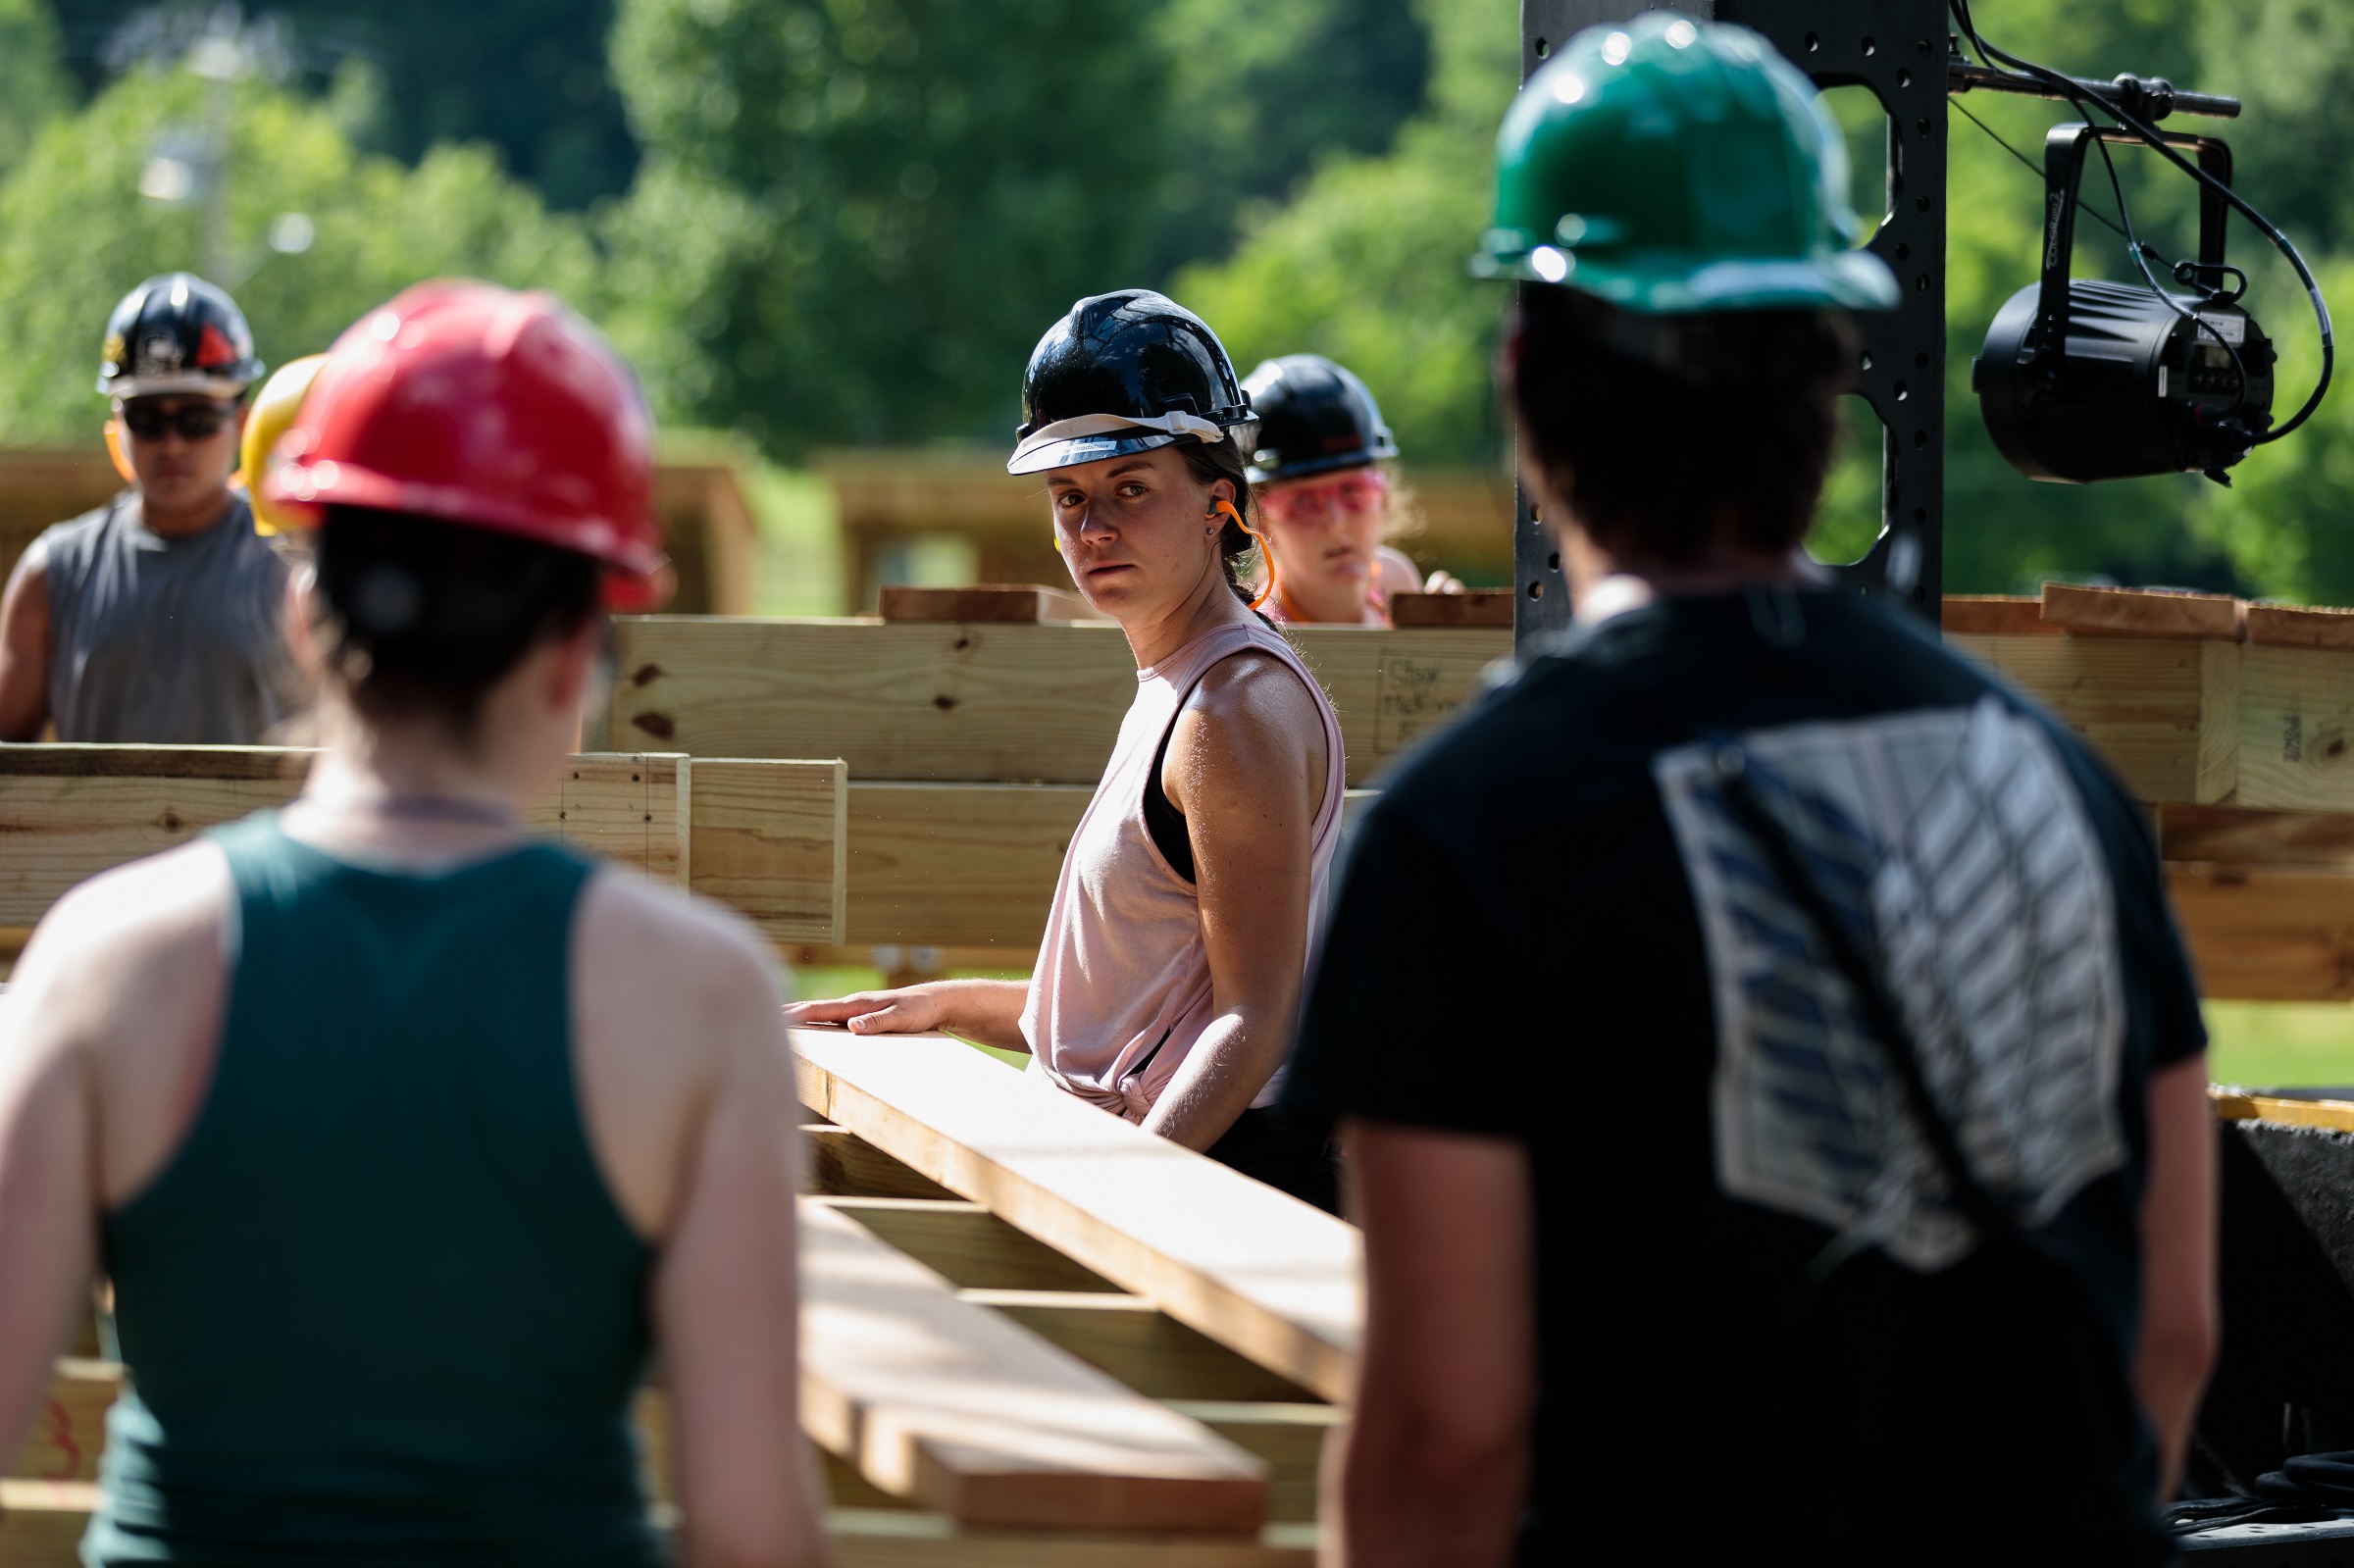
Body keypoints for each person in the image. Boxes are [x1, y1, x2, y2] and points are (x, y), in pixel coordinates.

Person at [1283, 15, 2217, 1566]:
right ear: (1834, 371)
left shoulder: (1468, 833)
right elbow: (2171, 1328)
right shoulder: (2055, 779)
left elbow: (1446, 1440)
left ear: (1528, 377)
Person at [0, 280, 829, 1568]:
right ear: (575, 653)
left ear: (301, 615)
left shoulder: (108, 960)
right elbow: (750, 1524)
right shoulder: (702, 995)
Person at [790, 290, 1347, 1211]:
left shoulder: (1233, 708)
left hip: (1222, 1189)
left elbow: (1254, 1020)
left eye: (1132, 488)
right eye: (1069, 496)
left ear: (1218, 503)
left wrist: (1116, 1210)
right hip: (1173, 1159)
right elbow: (1131, 1017)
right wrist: (948, 1002)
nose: (1093, 527)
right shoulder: (1181, 684)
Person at [0, 273, 305, 744]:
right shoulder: (53, 574)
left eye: (197, 420)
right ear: (118, 424)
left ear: (241, 423)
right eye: (147, 419)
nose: (172, 444)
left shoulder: (293, 568)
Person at [1238, 353, 1457, 626]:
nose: (1336, 524)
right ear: (1262, 522)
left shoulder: (1394, 579)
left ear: (1383, 499)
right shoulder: (1269, 637)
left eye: (1352, 492)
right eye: (1304, 503)